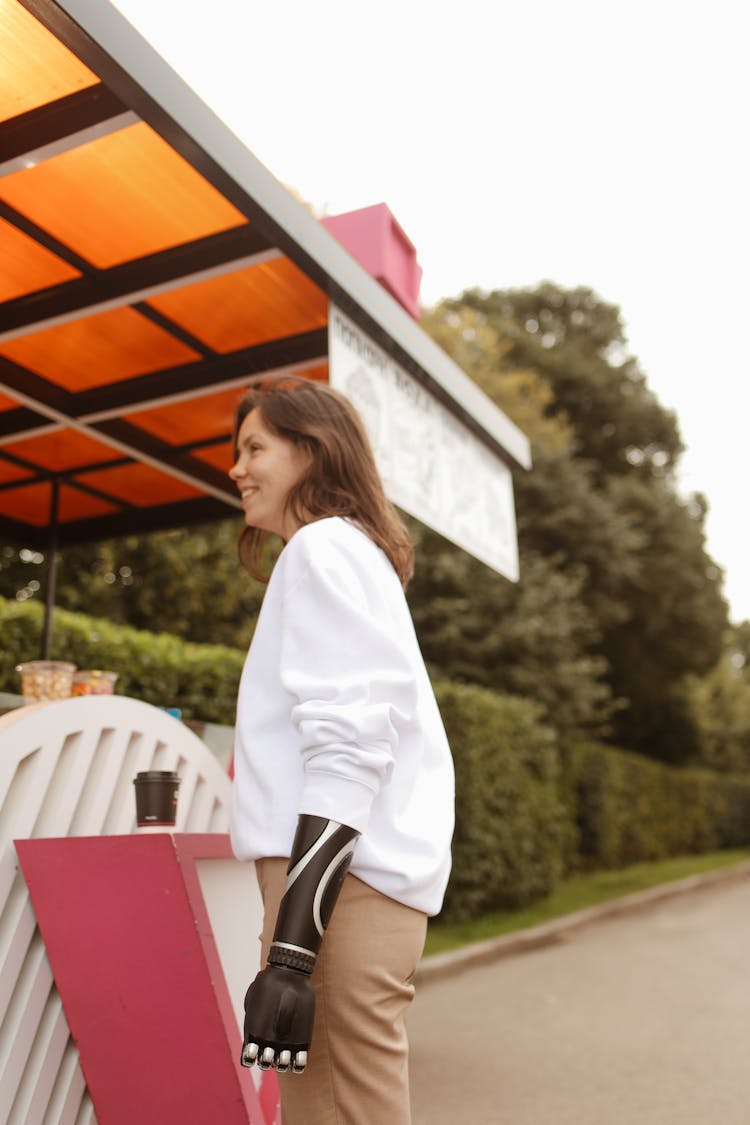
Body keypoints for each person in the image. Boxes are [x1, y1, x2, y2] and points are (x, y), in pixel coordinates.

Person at [228, 374, 454, 1124]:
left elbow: (348, 747)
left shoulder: (323, 549)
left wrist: (292, 956)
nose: (237, 467)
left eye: (255, 446)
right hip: (349, 896)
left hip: (334, 900)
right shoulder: (353, 556)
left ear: (311, 449)